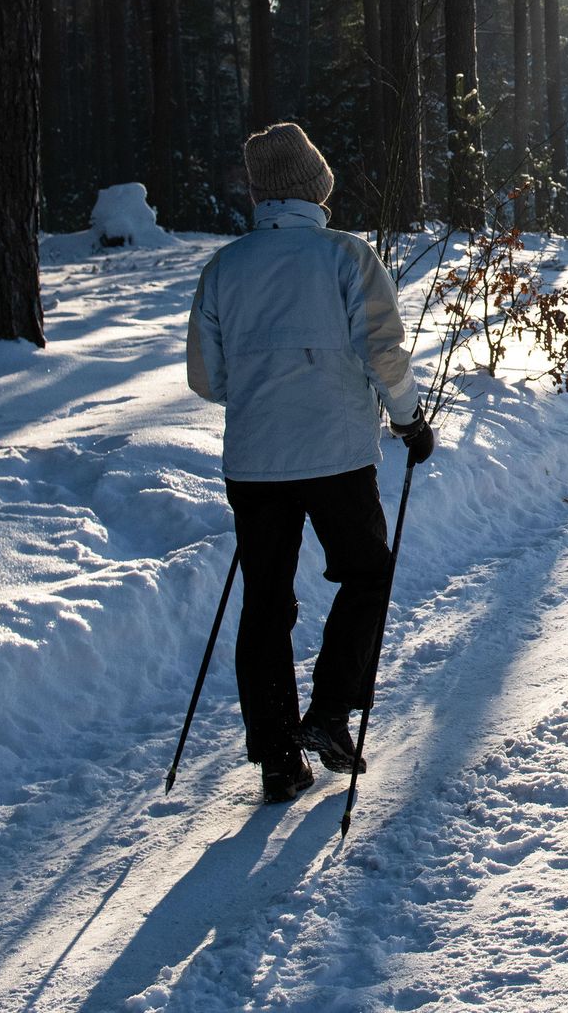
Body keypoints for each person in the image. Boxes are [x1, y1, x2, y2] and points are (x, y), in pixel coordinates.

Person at [187, 123, 436, 804]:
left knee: (265, 602)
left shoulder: (224, 267)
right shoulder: (346, 256)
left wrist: (265, 386)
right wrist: (409, 419)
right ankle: (328, 711)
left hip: (255, 462)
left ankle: (276, 757)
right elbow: (385, 352)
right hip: (336, 456)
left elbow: (208, 380)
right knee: (366, 574)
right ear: (314, 188)